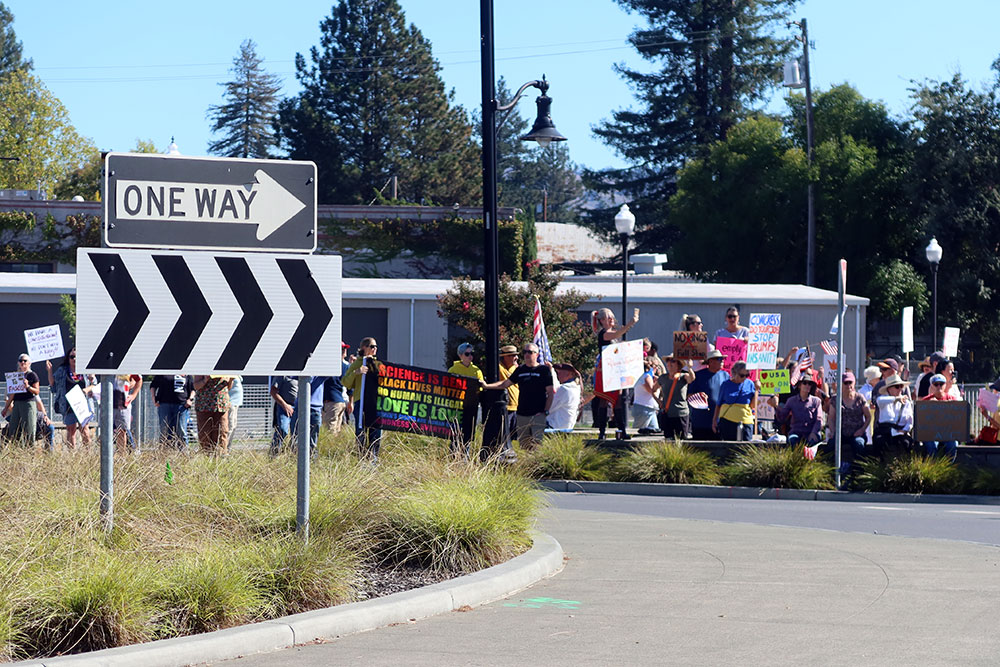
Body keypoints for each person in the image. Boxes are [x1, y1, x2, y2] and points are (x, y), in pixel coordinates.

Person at [481, 342, 554, 450]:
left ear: (537, 355)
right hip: (522, 414)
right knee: (524, 445)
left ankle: (537, 465)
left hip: (538, 414)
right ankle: (527, 466)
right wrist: (487, 386)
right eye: (525, 352)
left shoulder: (543, 370)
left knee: (537, 445)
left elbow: (550, 392)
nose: (526, 355)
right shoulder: (520, 369)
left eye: (530, 352)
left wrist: (546, 411)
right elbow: (505, 383)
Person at [591, 307, 638, 440]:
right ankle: (602, 431)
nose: (611, 319)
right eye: (607, 317)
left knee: (618, 401)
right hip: (606, 369)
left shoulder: (612, 334)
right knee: (604, 400)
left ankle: (622, 430)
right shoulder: (604, 333)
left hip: (616, 369)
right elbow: (617, 334)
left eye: (611, 316)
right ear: (601, 320)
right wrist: (631, 323)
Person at [343, 337, 383, 461]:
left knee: (376, 429)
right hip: (361, 401)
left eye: (376, 347)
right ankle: (361, 457)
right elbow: (345, 382)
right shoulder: (357, 363)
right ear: (364, 348)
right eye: (372, 346)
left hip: (375, 401)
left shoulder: (378, 364)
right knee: (361, 430)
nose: (374, 349)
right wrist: (357, 372)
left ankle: (374, 458)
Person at [825, 371, 871, 478]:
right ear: (841, 384)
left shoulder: (860, 398)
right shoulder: (835, 399)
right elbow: (831, 418)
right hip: (841, 432)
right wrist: (832, 431)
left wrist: (862, 430)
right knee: (831, 445)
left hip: (856, 433)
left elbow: (868, 417)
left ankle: (859, 473)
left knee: (859, 445)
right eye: (845, 383)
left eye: (850, 382)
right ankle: (830, 472)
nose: (848, 385)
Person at [45, 348, 93, 449]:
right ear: (68, 358)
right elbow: (53, 385)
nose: (74, 359)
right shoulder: (62, 370)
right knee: (71, 430)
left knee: (85, 429)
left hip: (82, 404)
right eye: (72, 357)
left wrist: (86, 389)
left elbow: (94, 384)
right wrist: (49, 371)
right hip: (67, 404)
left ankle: (88, 453)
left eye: (76, 357)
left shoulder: (86, 369)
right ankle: (72, 454)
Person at [448, 342, 485, 458]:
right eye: (467, 354)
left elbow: (481, 388)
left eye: (471, 354)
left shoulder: (476, 370)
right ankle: (454, 456)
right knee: (456, 433)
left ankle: (465, 456)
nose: (470, 356)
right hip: (457, 407)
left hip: (472, 406)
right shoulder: (453, 369)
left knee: (469, 433)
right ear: (460, 355)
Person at [772, 375, 823, 449]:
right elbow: (782, 418)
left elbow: (819, 419)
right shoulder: (791, 401)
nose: (807, 385)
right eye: (805, 383)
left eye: (810, 384)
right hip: (796, 432)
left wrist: (814, 433)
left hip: (811, 432)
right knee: (792, 441)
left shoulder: (816, 401)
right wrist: (776, 406)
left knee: (812, 444)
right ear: (799, 386)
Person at [688, 349, 728, 440]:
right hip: (701, 421)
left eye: (722, 359)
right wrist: (699, 397)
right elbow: (689, 396)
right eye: (719, 359)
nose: (722, 361)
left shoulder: (726, 376)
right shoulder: (698, 376)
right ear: (710, 361)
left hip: (719, 421)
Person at [713, 361, 756, 442]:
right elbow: (718, 404)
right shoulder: (726, 384)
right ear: (734, 373)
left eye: (747, 375)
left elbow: (752, 405)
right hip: (728, 420)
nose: (744, 378)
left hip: (745, 421)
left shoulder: (750, 384)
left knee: (746, 448)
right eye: (742, 375)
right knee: (729, 448)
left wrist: (756, 391)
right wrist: (714, 421)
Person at [919, 373, 959, 460]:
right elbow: (922, 421)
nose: (939, 386)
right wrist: (929, 407)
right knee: (931, 445)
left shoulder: (952, 399)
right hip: (931, 432)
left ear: (945, 385)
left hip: (947, 432)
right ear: (932, 386)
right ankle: (935, 468)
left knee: (953, 445)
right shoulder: (926, 400)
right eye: (936, 384)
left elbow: (957, 418)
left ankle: (948, 467)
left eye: (941, 384)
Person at [873, 374, 914, 459]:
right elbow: (879, 401)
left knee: (906, 443)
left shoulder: (906, 402)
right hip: (883, 430)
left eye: (901, 386)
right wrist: (896, 399)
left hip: (900, 431)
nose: (900, 389)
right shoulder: (883, 399)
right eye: (896, 387)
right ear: (889, 389)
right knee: (878, 441)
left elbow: (910, 421)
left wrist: (904, 430)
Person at [2, 353, 39, 446]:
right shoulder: (16, 376)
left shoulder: (32, 375)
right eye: (21, 361)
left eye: (25, 360)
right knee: (14, 429)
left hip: (28, 403)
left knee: (29, 429)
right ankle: (17, 450)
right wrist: (6, 408)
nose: (23, 362)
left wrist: (28, 386)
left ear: (29, 363)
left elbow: (36, 391)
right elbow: (12, 394)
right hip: (17, 404)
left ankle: (30, 451)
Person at [149, 374, 194, 450]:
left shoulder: (186, 372)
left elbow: (193, 388)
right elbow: (153, 385)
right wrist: (154, 397)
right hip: (164, 404)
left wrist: (190, 399)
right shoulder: (163, 371)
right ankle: (165, 452)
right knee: (165, 430)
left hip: (181, 405)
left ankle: (183, 454)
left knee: (181, 430)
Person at [193, 375, 233, 455]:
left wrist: (231, 379)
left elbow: (228, 387)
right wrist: (205, 380)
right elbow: (195, 386)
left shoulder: (227, 369)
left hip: (221, 405)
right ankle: (207, 457)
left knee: (222, 432)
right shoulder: (202, 368)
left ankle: (221, 457)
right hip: (204, 405)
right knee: (205, 435)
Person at [657, 355, 695, 440]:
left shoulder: (683, 376)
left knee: (681, 440)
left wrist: (690, 368)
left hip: (681, 414)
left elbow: (691, 379)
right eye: (668, 361)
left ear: (678, 365)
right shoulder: (663, 378)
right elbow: (653, 389)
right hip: (668, 414)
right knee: (668, 440)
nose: (670, 363)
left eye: (673, 361)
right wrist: (659, 401)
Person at [322, 342, 353, 435]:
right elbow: (350, 386)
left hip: (331, 402)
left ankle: (329, 449)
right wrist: (351, 402)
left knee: (329, 430)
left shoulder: (329, 365)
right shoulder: (346, 366)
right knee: (337, 430)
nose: (344, 351)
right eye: (342, 349)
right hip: (340, 401)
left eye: (344, 349)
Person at [547, 363, 586, 432]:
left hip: (555, 426)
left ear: (568, 374)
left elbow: (550, 408)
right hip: (565, 425)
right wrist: (551, 370)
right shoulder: (575, 387)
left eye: (559, 373)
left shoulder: (565, 389)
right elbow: (557, 385)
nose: (558, 375)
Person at [498, 344, 520, 457]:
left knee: (514, 435)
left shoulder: (515, 368)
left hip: (516, 406)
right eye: (512, 355)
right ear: (505, 357)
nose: (516, 358)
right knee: (503, 435)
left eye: (516, 355)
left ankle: (512, 452)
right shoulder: (499, 368)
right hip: (506, 407)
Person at [269, 376, 299, 456]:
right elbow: (273, 391)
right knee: (282, 429)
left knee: (296, 433)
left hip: (299, 407)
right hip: (284, 407)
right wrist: (285, 405)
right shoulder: (283, 375)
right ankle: (274, 454)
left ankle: (294, 455)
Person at [112, 373, 142, 452]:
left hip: (123, 404)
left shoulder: (128, 367)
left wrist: (133, 395)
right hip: (108, 403)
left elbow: (139, 379)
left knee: (122, 431)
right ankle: (106, 456)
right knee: (106, 431)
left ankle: (121, 456)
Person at [632, 357, 661, 435]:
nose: (657, 369)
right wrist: (659, 383)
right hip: (644, 408)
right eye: (657, 366)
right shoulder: (646, 376)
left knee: (654, 431)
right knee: (637, 432)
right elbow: (651, 391)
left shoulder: (649, 377)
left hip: (650, 409)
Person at [228, 376, 243, 448]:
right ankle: (225, 448)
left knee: (234, 426)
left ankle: (228, 447)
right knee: (230, 426)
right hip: (231, 402)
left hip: (236, 403)